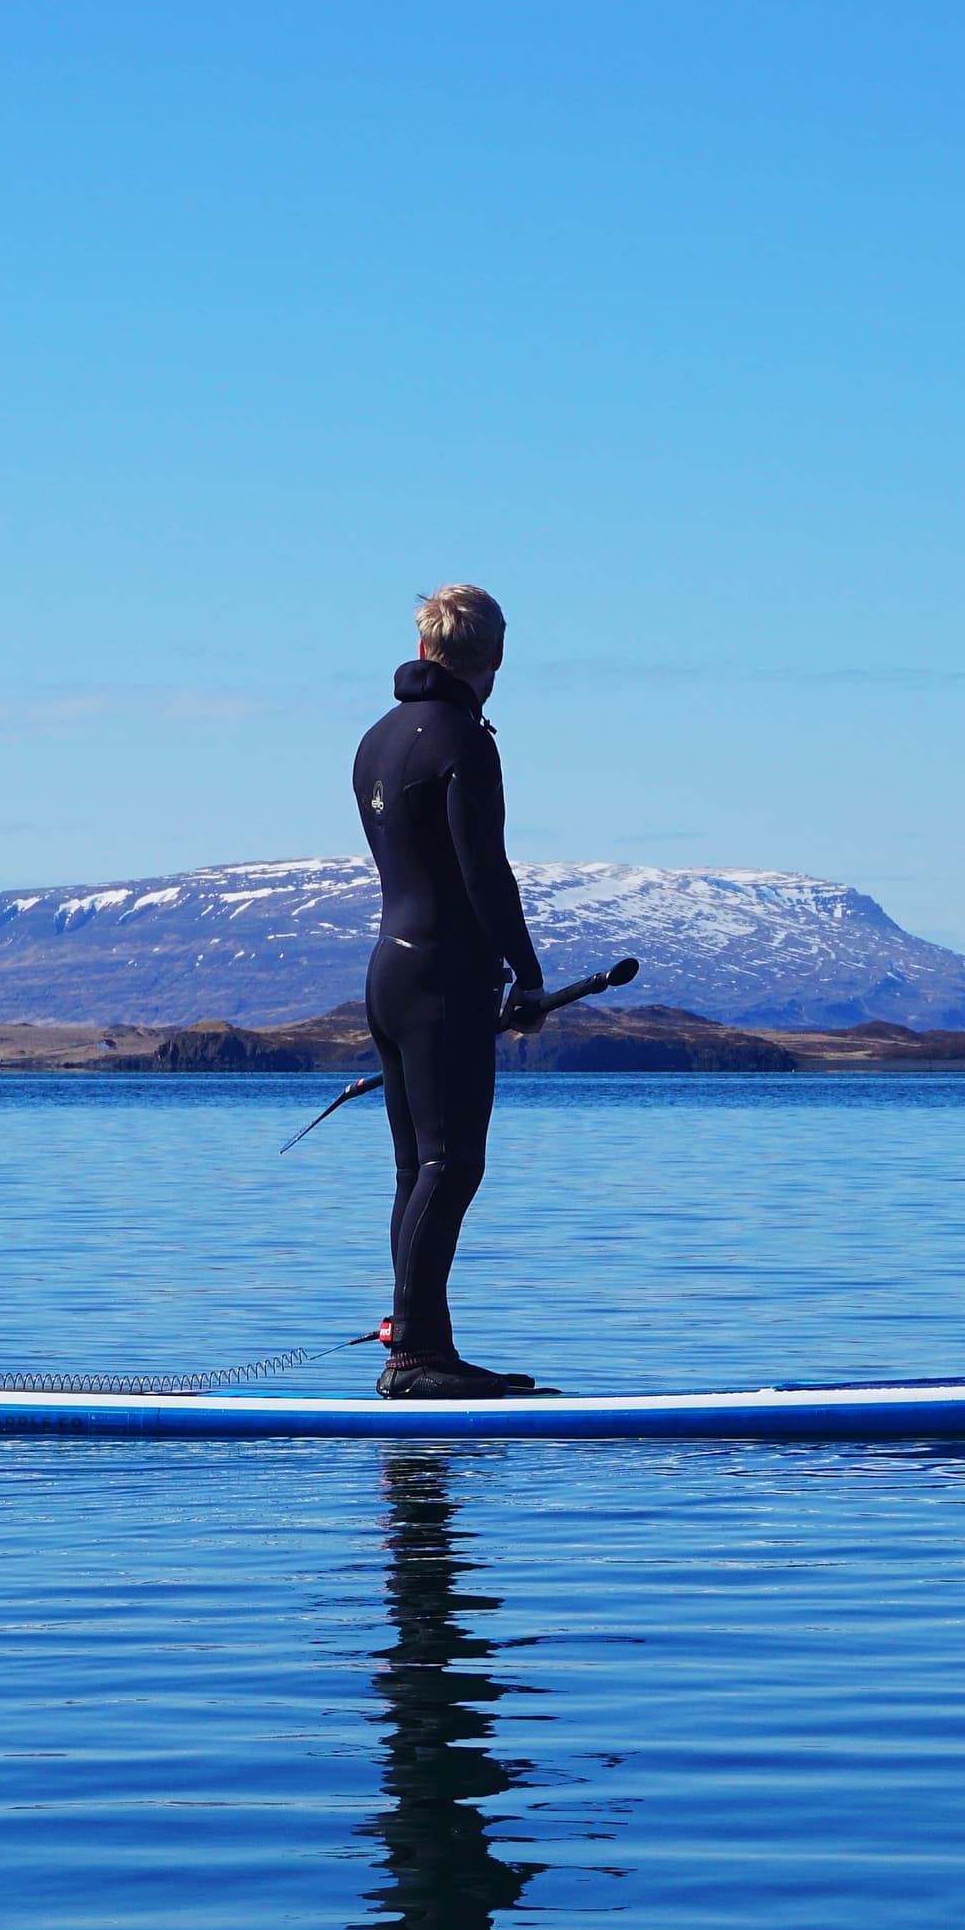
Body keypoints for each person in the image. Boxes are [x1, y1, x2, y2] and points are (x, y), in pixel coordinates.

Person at [352, 584, 549, 1400]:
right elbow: (483, 872)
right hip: (442, 977)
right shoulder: (464, 739)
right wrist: (526, 974)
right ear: (495, 656)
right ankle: (414, 1358)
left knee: (418, 1170)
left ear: (424, 648)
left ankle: (423, 1347)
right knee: (451, 1165)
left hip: (390, 972)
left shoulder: (376, 737)